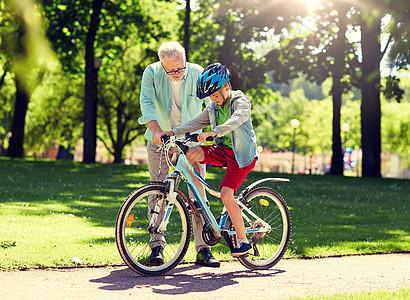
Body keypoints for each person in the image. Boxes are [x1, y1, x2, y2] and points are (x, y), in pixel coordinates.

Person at [138, 41, 220, 267]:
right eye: (171, 70)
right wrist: (155, 129)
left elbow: (211, 104)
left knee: (198, 192)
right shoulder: (152, 73)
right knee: (158, 191)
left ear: (185, 60)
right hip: (160, 140)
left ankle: (203, 249)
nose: (177, 74)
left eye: (180, 68)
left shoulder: (198, 73)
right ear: (162, 65)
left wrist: (211, 132)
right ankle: (157, 245)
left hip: (191, 140)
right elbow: (146, 102)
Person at [164, 63, 258, 257]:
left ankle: (243, 241)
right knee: (191, 154)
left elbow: (237, 119)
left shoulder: (241, 101)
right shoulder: (214, 106)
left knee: (226, 196)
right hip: (223, 150)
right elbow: (196, 122)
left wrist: (215, 132)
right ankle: (199, 199)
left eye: (215, 95)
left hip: (241, 158)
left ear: (226, 87)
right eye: (210, 97)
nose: (213, 100)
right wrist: (174, 132)